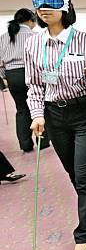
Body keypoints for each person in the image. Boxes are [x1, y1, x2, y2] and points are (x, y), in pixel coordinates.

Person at [25, 0, 86, 250]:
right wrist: (37, 115)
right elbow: (34, 85)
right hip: (53, 116)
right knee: (72, 171)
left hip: (84, 113)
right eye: (39, 2)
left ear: (66, 4)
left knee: (84, 173)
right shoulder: (33, 43)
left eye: (50, 1)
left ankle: (84, 233)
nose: (43, 8)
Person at [0, 9, 49, 151]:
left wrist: (5, 76)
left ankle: (25, 144)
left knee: (21, 109)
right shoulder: (36, 36)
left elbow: (0, 62)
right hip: (32, 73)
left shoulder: (3, 37)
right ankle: (43, 142)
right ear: (30, 20)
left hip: (12, 75)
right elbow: (43, 60)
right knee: (40, 106)